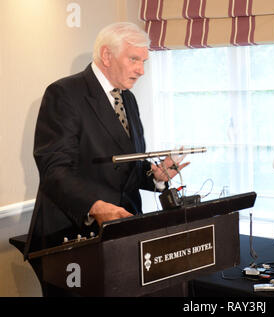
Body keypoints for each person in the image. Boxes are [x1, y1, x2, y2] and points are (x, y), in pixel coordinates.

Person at [24, 22, 188, 295]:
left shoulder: (128, 100)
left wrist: (155, 175)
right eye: (134, 59)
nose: (141, 70)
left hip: (122, 234)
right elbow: (54, 170)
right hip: (74, 237)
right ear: (107, 55)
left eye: (144, 61)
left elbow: (125, 165)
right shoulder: (64, 94)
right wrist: (96, 206)